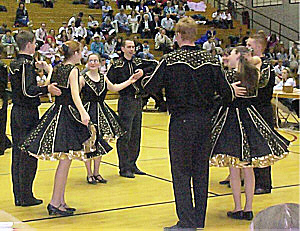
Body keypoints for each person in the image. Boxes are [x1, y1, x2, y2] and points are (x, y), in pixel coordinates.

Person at [142, 17, 242, 230]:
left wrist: (163, 99)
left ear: (178, 35)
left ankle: (185, 221)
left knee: (180, 172)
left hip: (180, 122)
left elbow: (149, 86)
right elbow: (226, 93)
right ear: (195, 35)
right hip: (204, 122)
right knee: (200, 171)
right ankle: (199, 219)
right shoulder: (212, 60)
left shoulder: (170, 60)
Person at [210, 46, 289, 221]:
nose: (226, 57)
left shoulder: (228, 76)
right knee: (248, 169)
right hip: (251, 118)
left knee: (234, 168)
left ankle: (238, 207)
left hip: (231, 121)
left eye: (229, 54)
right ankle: (248, 208)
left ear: (238, 56)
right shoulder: (254, 75)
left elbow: (218, 94)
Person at [20, 41, 97, 215]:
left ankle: (60, 201)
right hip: (69, 115)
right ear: (76, 53)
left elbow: (50, 86)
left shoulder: (58, 68)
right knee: (65, 160)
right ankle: (55, 202)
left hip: (57, 112)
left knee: (65, 160)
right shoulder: (73, 70)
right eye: (81, 51)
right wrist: (84, 113)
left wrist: (47, 69)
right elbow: (76, 95)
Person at [9, 30, 61, 207]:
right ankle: (25, 196)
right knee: (27, 155)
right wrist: (46, 89)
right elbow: (27, 91)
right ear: (30, 44)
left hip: (18, 111)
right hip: (26, 113)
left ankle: (21, 194)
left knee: (18, 155)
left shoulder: (15, 63)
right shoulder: (25, 65)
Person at [80, 54, 142, 184]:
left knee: (99, 142)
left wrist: (130, 81)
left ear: (99, 63)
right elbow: (75, 94)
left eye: (95, 61)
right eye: (90, 61)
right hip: (88, 111)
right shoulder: (82, 78)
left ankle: (97, 172)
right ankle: (89, 173)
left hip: (101, 112)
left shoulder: (103, 78)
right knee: (88, 143)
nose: (93, 63)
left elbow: (114, 88)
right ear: (87, 63)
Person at [107, 39, 158, 178]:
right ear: (122, 48)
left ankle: (132, 163)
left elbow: (155, 65)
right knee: (125, 135)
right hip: (126, 100)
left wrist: (142, 71)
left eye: (133, 47)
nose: (132, 49)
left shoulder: (138, 61)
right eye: (129, 47)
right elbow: (109, 80)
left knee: (136, 135)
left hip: (138, 101)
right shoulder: (117, 64)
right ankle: (124, 167)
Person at [246, 33, 276, 195]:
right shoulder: (251, 64)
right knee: (250, 146)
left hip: (262, 111)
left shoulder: (265, 65)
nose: (247, 48)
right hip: (251, 110)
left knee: (262, 147)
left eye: (249, 45)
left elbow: (260, 86)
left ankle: (264, 183)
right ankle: (250, 178)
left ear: (257, 47)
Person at [0, 61, 11, 156]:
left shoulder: (1, 66)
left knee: (1, 123)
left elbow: (2, 85)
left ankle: (1, 146)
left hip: (0, 98)